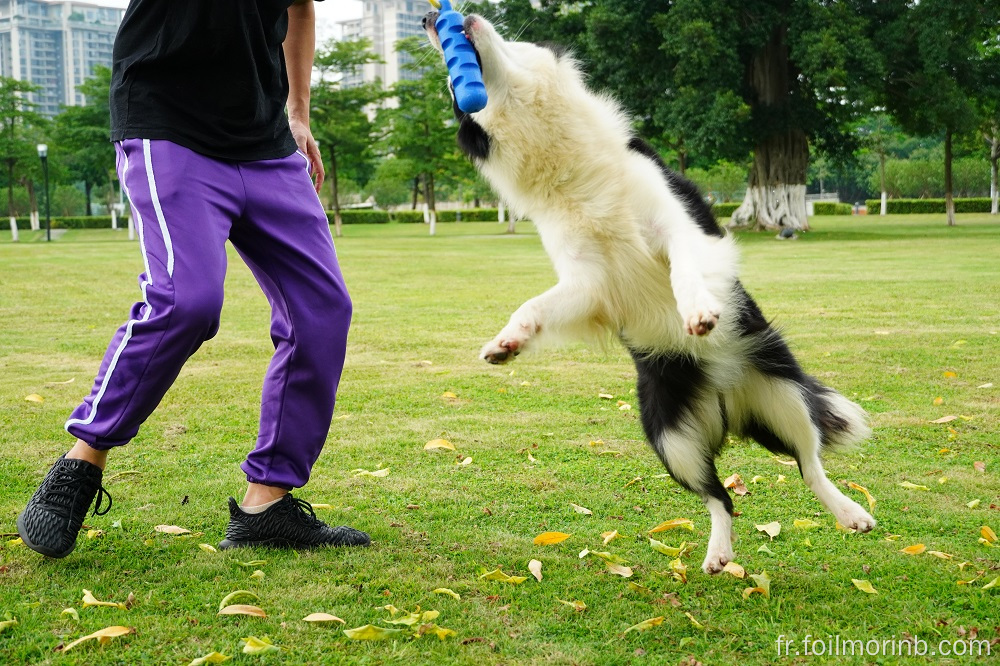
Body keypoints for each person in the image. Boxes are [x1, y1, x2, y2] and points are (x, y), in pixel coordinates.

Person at [16, 0, 370, 557]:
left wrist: (298, 113)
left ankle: (267, 505)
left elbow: (299, 8)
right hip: (168, 124)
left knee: (322, 311)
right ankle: (81, 461)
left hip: (266, 142)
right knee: (188, 301)